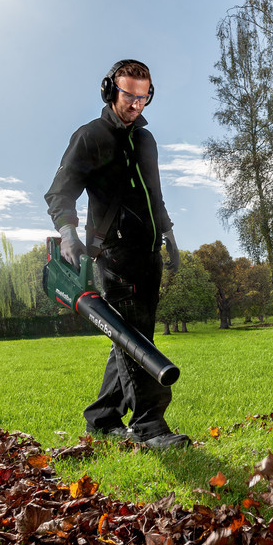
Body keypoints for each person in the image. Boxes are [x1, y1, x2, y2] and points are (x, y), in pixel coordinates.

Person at [44, 59, 190, 449]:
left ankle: (103, 417)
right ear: (111, 91)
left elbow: (154, 194)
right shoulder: (90, 137)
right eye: (129, 96)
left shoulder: (146, 141)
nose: (136, 105)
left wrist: (169, 235)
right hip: (113, 252)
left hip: (149, 250)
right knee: (135, 339)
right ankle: (149, 427)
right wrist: (67, 234)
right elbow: (60, 191)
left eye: (143, 98)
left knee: (132, 337)